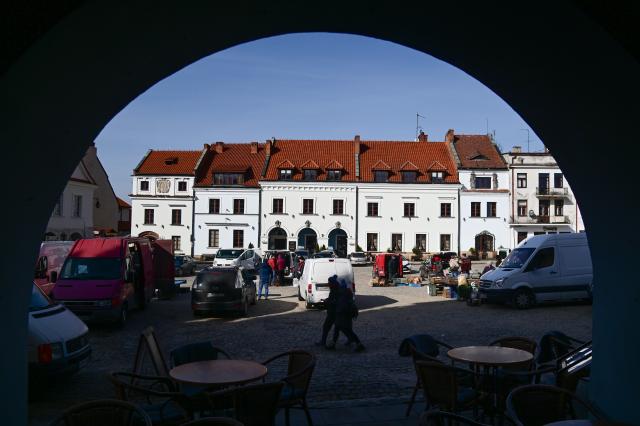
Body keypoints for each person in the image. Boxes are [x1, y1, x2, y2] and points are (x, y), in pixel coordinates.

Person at [328, 279, 365, 352]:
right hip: (343, 315)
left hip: (343, 315)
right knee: (338, 329)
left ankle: (359, 344)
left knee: (347, 330)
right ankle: (333, 344)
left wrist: (332, 303)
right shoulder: (346, 293)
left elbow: (341, 305)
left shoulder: (342, 294)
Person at [316, 275, 340, 348]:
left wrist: (327, 301)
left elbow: (335, 301)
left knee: (331, 327)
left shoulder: (335, 291)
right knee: (336, 328)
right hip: (334, 312)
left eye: (329, 283)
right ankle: (326, 342)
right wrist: (327, 300)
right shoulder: (335, 289)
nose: (328, 284)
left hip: (334, 313)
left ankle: (326, 342)